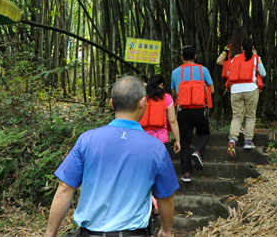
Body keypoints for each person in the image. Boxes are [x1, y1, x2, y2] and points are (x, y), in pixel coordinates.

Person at [44, 75, 178, 237]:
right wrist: (166, 230)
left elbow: (65, 188)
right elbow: (165, 198)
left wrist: (50, 233)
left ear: (112, 103)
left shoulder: (87, 140)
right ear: (143, 102)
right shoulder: (156, 148)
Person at [171, 45, 214, 183]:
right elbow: (211, 90)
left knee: (184, 142)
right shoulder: (203, 70)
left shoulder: (176, 72)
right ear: (195, 56)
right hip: (200, 108)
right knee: (204, 133)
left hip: (183, 110)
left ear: (182, 57)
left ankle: (186, 173)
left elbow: (174, 92)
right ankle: (198, 151)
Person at [225, 37, 266, 157]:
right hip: (251, 89)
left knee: (237, 116)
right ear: (253, 48)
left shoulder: (234, 59)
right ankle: (248, 140)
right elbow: (263, 73)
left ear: (241, 48)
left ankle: (232, 139)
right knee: (250, 116)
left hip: (235, 90)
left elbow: (228, 74)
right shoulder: (256, 58)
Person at [141, 74, 182, 154]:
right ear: (161, 85)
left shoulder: (142, 99)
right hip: (161, 140)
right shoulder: (167, 98)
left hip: (143, 139)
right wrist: (177, 140)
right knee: (160, 165)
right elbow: (172, 121)